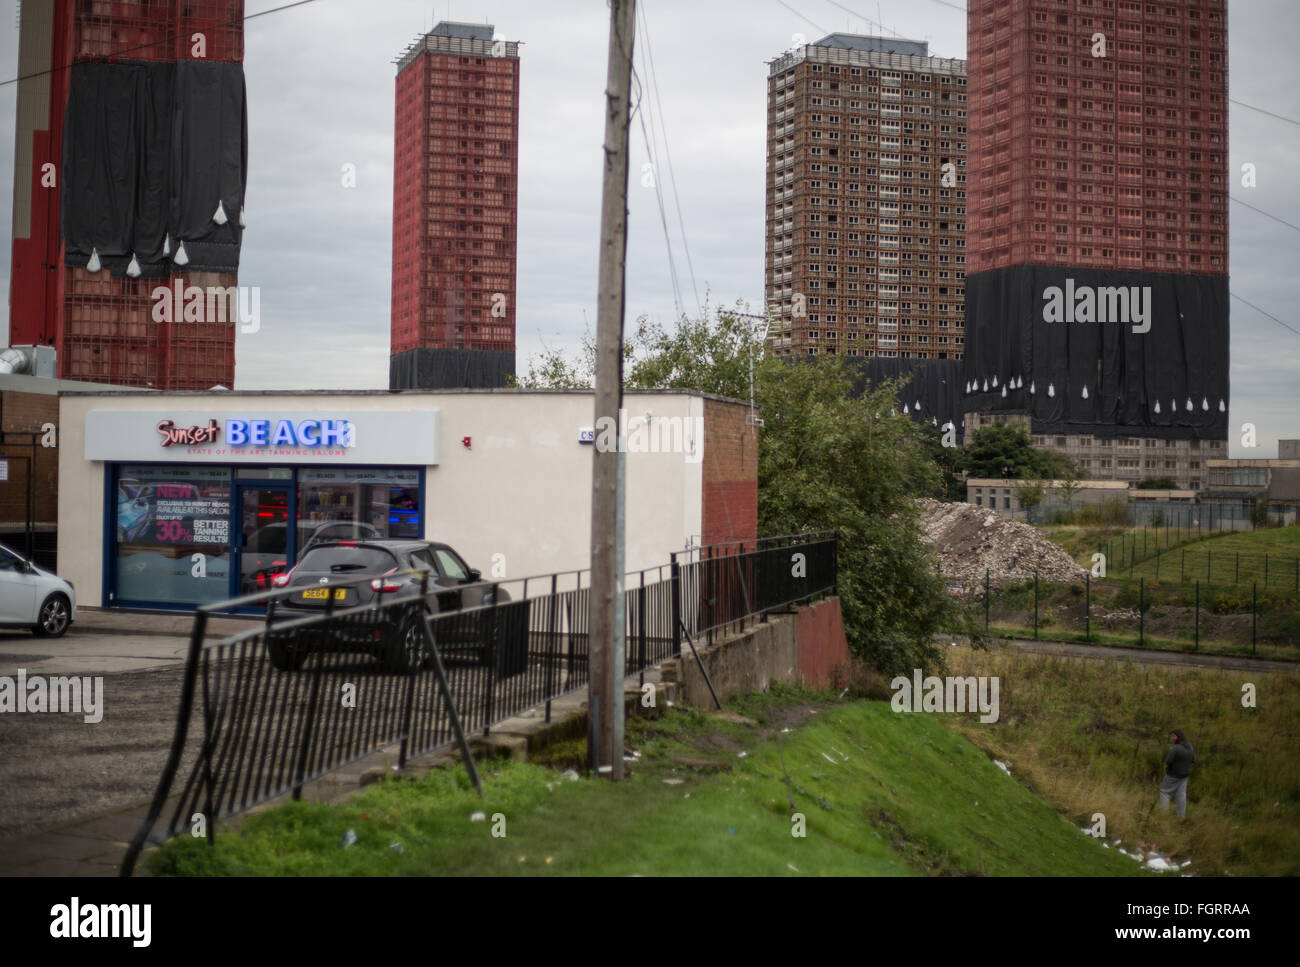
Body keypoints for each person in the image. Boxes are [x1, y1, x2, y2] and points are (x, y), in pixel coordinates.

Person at [1158, 729, 1196, 819]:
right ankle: (1181, 817)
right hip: (1185, 776)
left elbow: (1168, 761)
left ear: (1178, 737)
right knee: (1181, 795)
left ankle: (1163, 817)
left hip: (1173, 775)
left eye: (1173, 736)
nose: (1172, 738)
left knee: (1164, 792)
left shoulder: (1175, 748)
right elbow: (1193, 760)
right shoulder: (1190, 746)